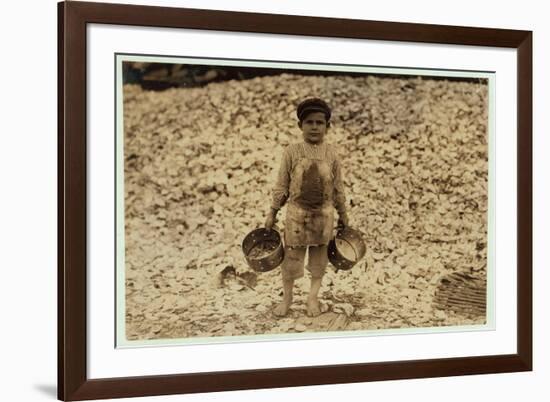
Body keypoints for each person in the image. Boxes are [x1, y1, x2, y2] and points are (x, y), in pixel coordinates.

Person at [265, 97, 349, 317]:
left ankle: (313, 298)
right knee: (291, 260)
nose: (314, 127)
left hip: (324, 216)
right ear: (300, 125)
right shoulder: (292, 152)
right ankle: (288, 298)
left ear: (327, 127)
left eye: (319, 123)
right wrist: (272, 213)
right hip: (296, 216)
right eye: (309, 122)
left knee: (319, 261)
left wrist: (344, 216)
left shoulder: (331, 154)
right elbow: (282, 185)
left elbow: (338, 188)